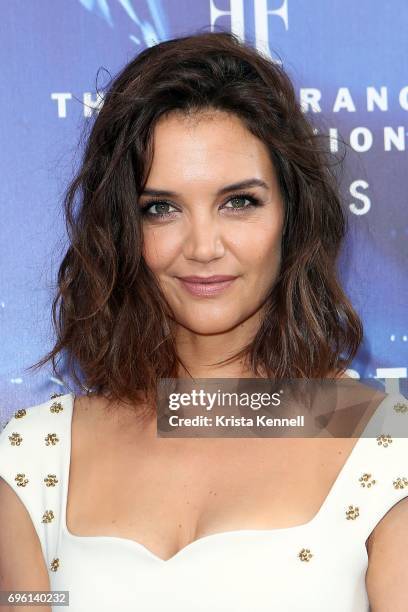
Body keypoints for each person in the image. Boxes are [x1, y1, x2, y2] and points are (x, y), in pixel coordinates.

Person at [1, 30, 407, 612]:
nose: (203, 246)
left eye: (238, 201)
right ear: (122, 231)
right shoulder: (36, 454)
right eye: (160, 208)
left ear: (292, 214)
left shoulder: (385, 439)